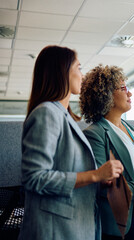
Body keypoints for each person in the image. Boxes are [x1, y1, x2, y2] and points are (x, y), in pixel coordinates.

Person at [19, 45, 123, 240]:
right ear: (62, 71)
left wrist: (101, 180)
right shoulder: (46, 113)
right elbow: (35, 178)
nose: (82, 76)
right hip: (55, 229)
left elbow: (68, 170)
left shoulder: (65, 117)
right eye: (79, 68)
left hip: (76, 224)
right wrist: (95, 175)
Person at [80, 64, 134, 240]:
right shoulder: (95, 134)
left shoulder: (131, 128)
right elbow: (103, 186)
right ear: (105, 95)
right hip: (125, 218)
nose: (130, 93)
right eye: (123, 88)